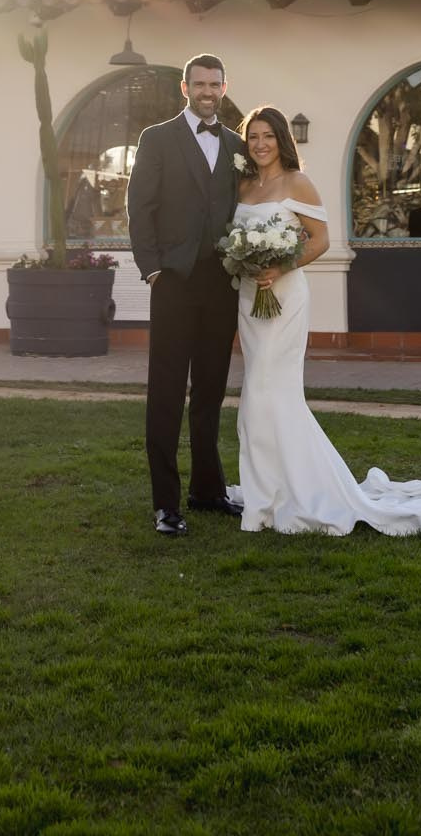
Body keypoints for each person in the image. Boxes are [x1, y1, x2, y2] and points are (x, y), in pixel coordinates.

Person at [229, 104, 421, 539]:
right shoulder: (244, 185)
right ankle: (267, 491)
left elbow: (320, 240)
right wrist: (246, 261)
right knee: (256, 395)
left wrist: (280, 266)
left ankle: (286, 495)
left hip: (283, 296)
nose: (260, 144)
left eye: (267, 136)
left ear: (282, 140)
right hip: (250, 298)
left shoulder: (297, 182)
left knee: (269, 392)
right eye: (253, 136)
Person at [126, 54, 244, 537]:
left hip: (222, 284)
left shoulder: (237, 145)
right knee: (167, 392)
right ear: (185, 88)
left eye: (214, 84)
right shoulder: (157, 138)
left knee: (211, 390)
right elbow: (140, 207)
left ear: (223, 87)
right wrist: (153, 269)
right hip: (173, 282)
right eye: (199, 84)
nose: (207, 92)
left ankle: (208, 490)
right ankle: (166, 504)